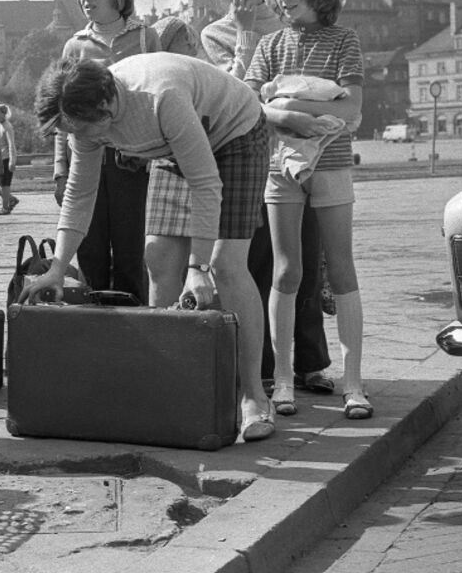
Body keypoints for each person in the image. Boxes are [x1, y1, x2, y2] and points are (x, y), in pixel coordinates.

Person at [23, 53, 276, 442]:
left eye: (83, 128)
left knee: (226, 265)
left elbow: (207, 183)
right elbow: (79, 193)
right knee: (157, 254)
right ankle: (173, 387)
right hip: (172, 148)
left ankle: (254, 396)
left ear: (106, 107)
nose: (81, 137)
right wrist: (58, 265)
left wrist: (199, 267)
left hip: (236, 134)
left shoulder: (161, 98)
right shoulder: (83, 120)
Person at [198, 0, 333, 397]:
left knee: (304, 259)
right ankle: (267, 367)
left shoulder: (292, 22)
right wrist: (243, 32)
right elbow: (232, 95)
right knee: (256, 263)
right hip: (245, 160)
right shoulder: (215, 33)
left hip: (297, 154)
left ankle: (310, 362)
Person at [244, 0, 370, 421]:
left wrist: (289, 101)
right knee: (286, 272)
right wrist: (302, 106)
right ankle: (281, 381)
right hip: (281, 167)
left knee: (341, 270)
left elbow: (353, 107)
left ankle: (353, 383)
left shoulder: (344, 41)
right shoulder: (270, 45)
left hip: (333, 163)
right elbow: (251, 104)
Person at [52, 0, 162, 303]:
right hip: (87, 156)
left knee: (132, 250)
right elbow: (63, 111)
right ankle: (95, 324)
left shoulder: (145, 36)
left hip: (133, 159)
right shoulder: (75, 46)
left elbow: (160, 97)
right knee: (91, 250)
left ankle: (134, 325)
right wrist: (59, 165)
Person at [0, 103, 19, 215]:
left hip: (6, 159)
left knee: (4, 185)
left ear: (4, 114)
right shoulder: (0, 126)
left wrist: (12, 161)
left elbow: (11, 145)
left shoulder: (7, 126)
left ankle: (5, 208)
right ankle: (11, 199)